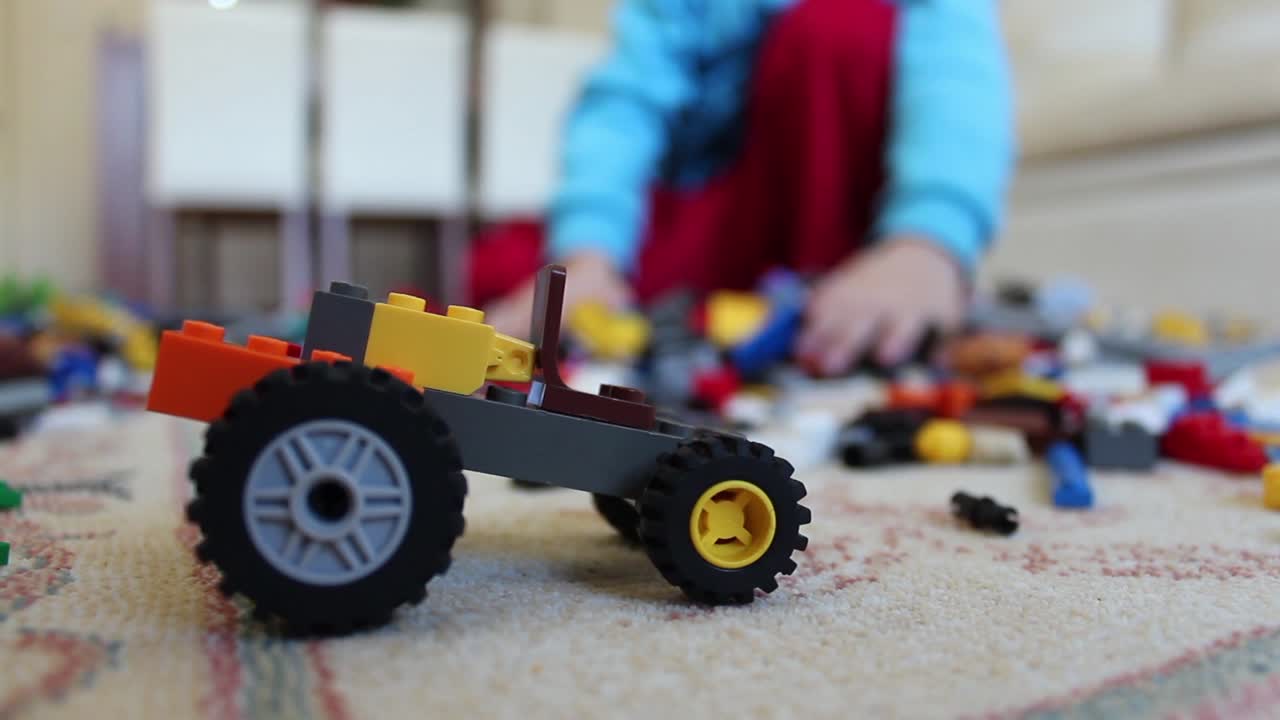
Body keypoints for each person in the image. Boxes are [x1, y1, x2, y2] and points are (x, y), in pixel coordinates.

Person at [474, 0, 1013, 375]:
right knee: (504, 273)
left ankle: (853, 310)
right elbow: (625, 102)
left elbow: (958, 79)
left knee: (840, 29)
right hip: (717, 215)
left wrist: (928, 242)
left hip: (840, 232)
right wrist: (589, 253)